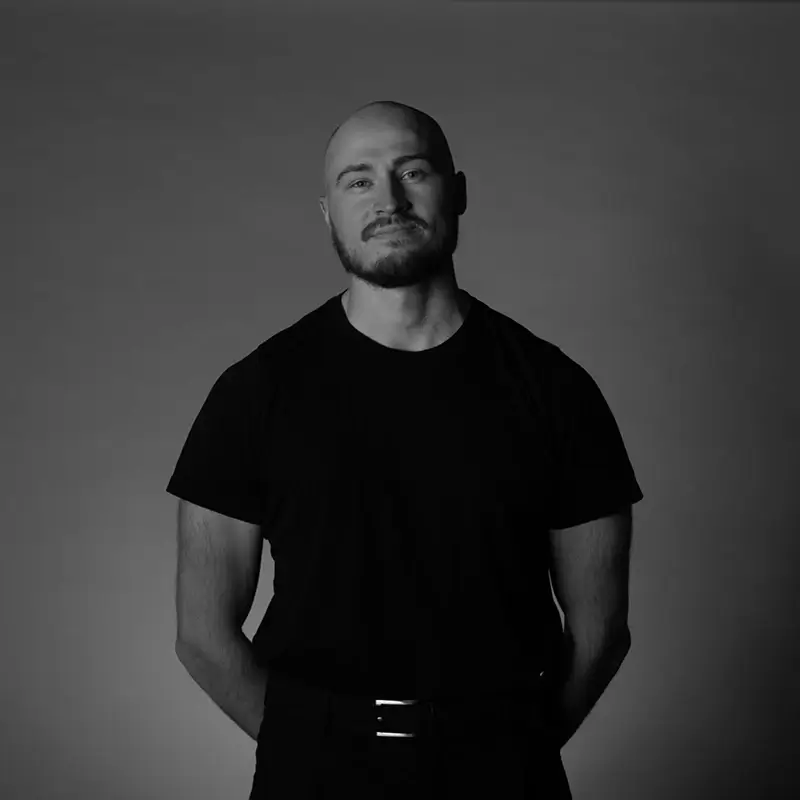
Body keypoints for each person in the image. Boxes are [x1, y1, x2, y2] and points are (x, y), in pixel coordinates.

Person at [168, 100, 644, 799]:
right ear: (328, 212)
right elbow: (202, 637)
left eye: (411, 171)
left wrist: (512, 747)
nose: (387, 198)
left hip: (504, 767)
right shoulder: (255, 392)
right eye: (357, 180)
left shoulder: (556, 390)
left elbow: (601, 636)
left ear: (457, 191)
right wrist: (307, 743)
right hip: (315, 769)